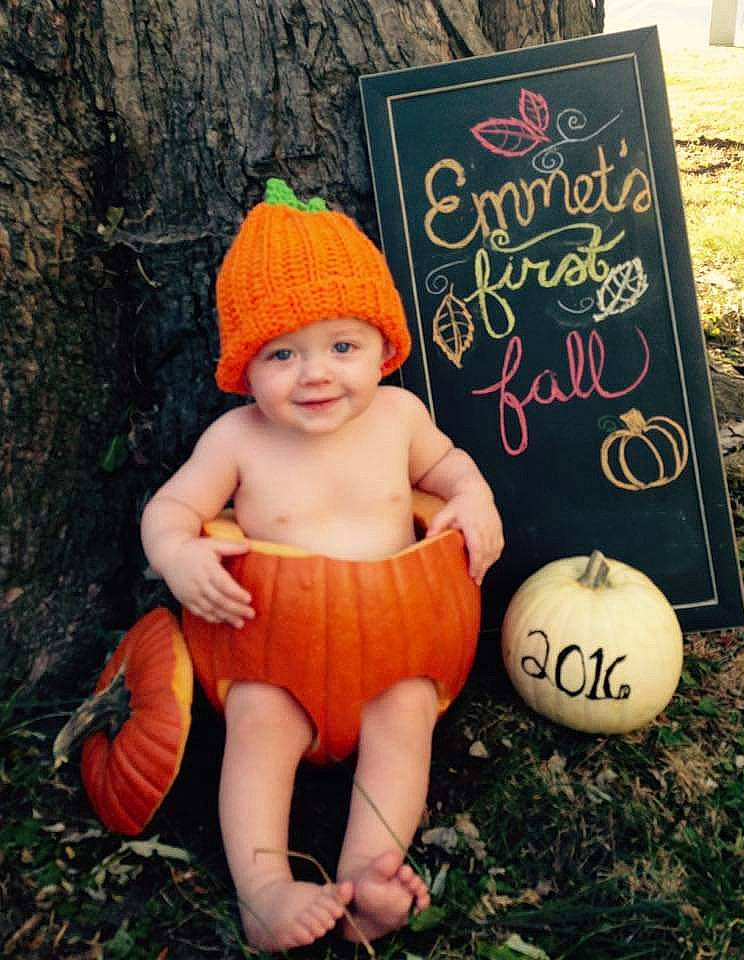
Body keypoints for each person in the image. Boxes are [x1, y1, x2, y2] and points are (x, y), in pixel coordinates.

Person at [140, 179, 503, 951]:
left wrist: (474, 500)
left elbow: (453, 470)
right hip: (270, 650)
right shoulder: (237, 440)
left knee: (406, 721)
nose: (316, 374)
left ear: (383, 346)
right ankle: (264, 888)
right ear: (245, 366)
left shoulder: (401, 418)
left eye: (343, 346)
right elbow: (167, 510)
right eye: (283, 353)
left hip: (397, 644)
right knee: (257, 732)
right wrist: (178, 554)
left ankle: (371, 875)